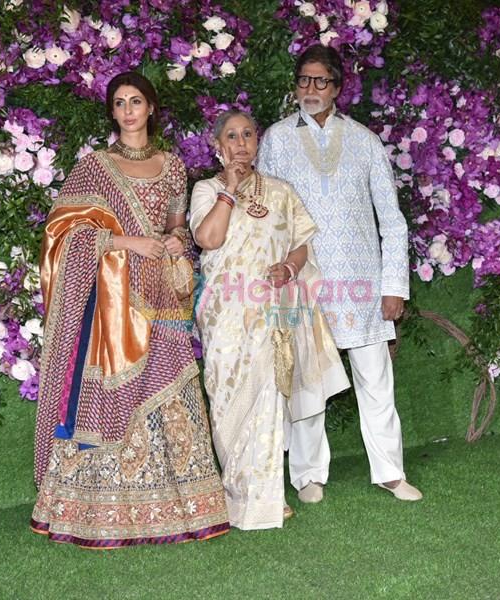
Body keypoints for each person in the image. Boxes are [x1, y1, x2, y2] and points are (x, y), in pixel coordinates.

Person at [31, 71, 229, 548]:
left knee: (173, 381)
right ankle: (97, 509)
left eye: (135, 101)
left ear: (151, 107)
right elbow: (63, 233)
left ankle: (186, 504)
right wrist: (126, 241)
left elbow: (178, 228)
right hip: (112, 304)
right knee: (116, 396)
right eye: (118, 103)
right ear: (112, 112)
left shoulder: (174, 165)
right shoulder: (96, 166)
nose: (127, 111)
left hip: (161, 293)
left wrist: (173, 243)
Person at [257, 45, 423, 503]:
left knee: (376, 381)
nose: (310, 90)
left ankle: (391, 471)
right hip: (303, 281)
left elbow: (392, 220)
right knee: (308, 385)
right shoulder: (274, 139)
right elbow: (267, 215)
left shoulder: (366, 141)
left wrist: (394, 288)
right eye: (304, 81)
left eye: (320, 81)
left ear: (337, 88)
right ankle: (308, 475)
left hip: (364, 284)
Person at [190, 109, 349, 529]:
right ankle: (235, 491)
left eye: (248, 134)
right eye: (231, 136)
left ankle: (265, 496)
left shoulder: (281, 191)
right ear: (217, 145)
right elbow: (208, 238)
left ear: (257, 142)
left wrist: (290, 270)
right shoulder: (206, 189)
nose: (241, 142)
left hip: (272, 312)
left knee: (267, 400)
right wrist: (230, 189)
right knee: (226, 400)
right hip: (226, 315)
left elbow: (301, 245)